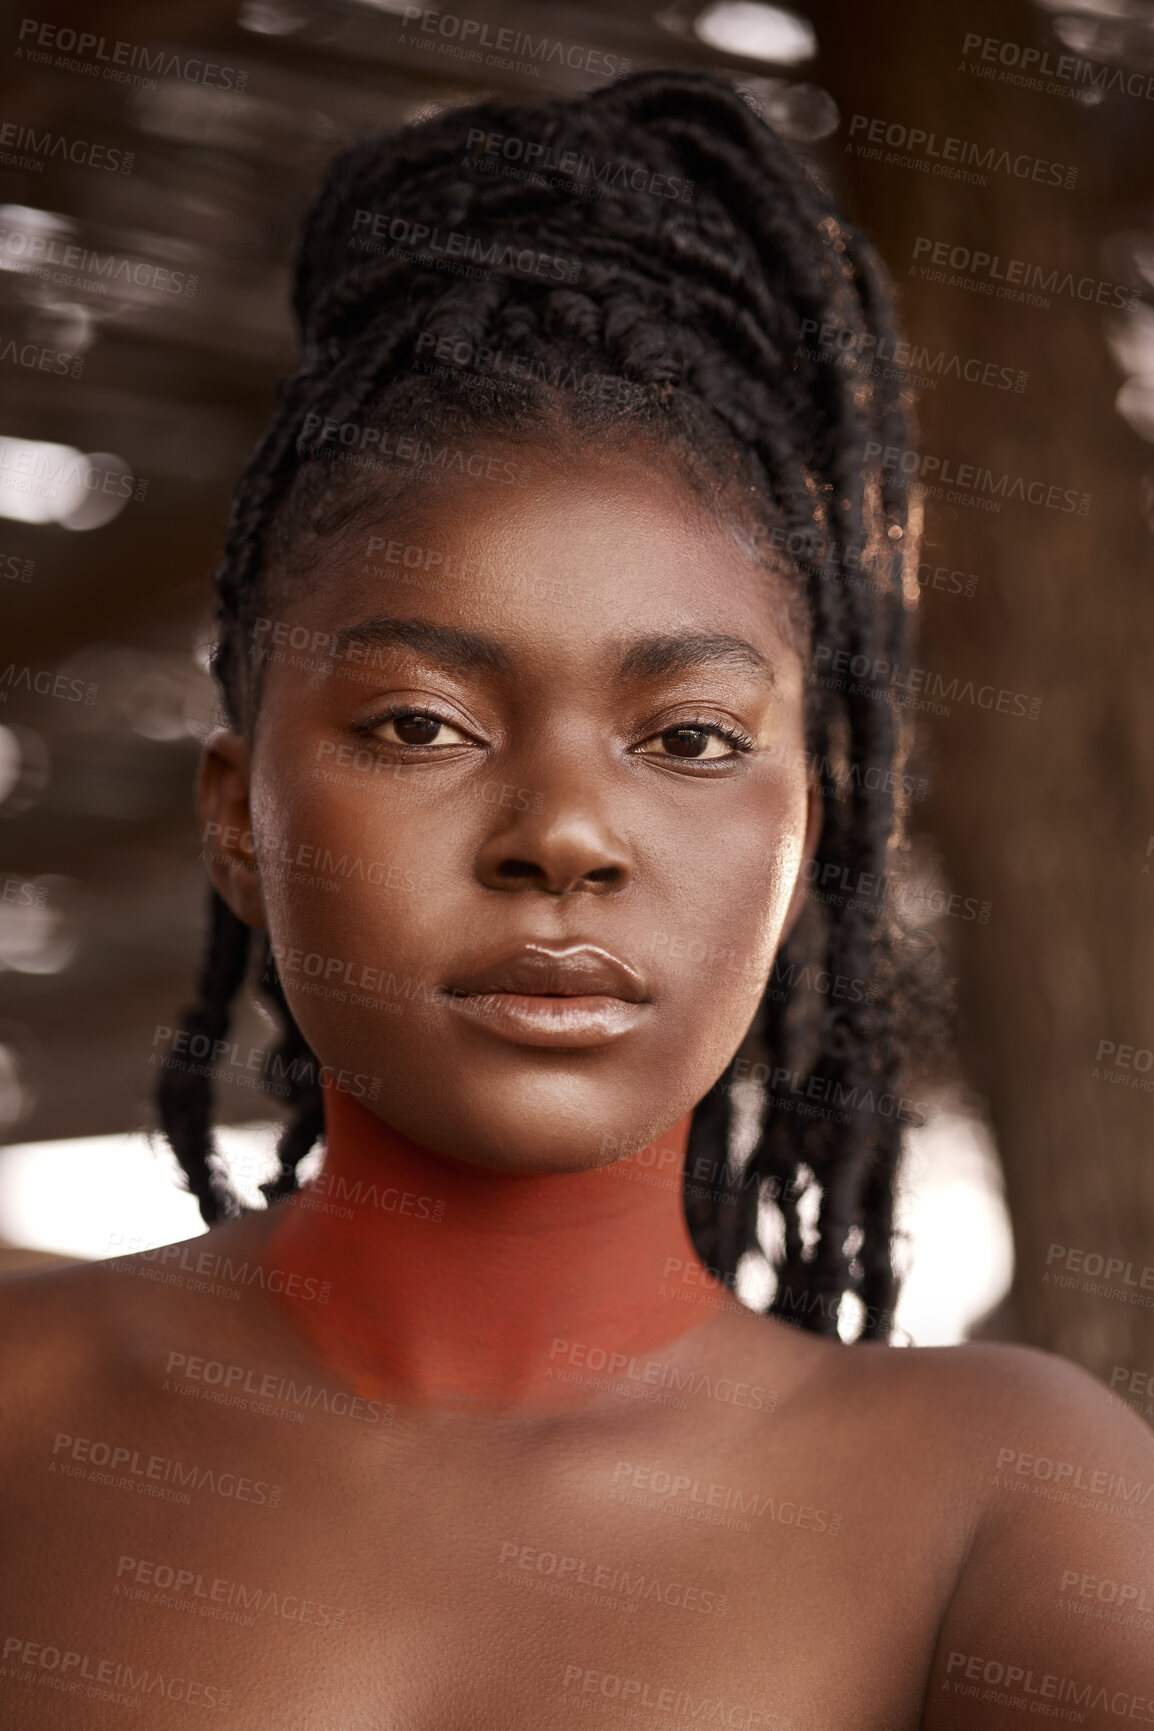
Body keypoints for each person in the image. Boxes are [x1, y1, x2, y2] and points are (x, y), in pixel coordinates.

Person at [1, 67, 1151, 1729]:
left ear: (800, 834)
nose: (564, 833)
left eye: (687, 737)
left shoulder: (996, 1502)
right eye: (420, 725)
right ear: (238, 818)